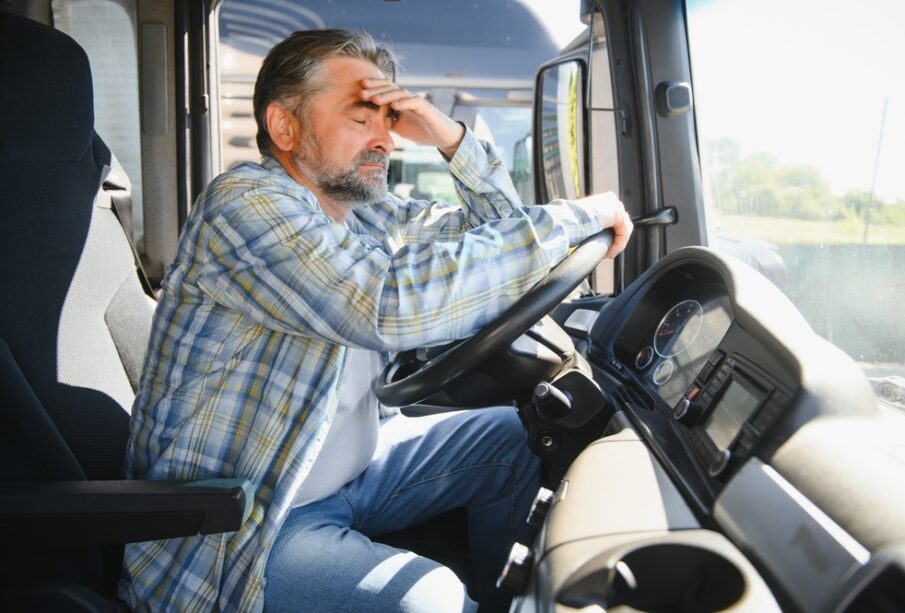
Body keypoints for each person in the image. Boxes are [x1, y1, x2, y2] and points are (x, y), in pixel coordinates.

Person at [119, 29, 632, 612]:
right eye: (362, 118)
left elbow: (502, 237)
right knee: (430, 599)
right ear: (284, 127)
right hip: (254, 517)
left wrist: (448, 137)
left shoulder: (361, 212)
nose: (385, 139)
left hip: (353, 470)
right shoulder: (245, 203)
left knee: (515, 441)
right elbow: (387, 303)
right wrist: (577, 217)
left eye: (388, 120)